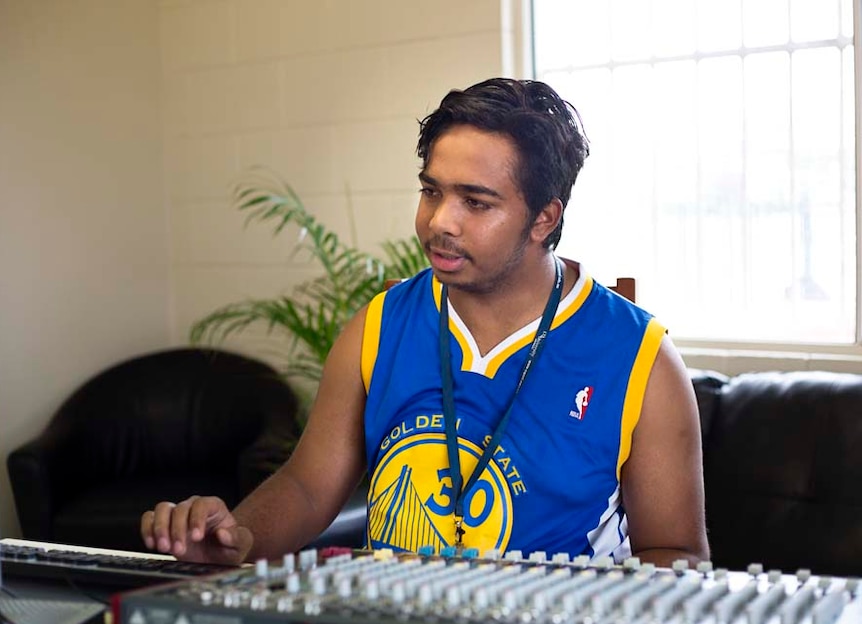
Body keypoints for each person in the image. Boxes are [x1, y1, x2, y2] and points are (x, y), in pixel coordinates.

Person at [141, 78, 709, 568]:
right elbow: (308, 486)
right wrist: (238, 536)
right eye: (431, 191)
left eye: (476, 202)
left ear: (544, 218)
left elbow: (676, 553)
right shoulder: (379, 324)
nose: (440, 221)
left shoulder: (640, 356)